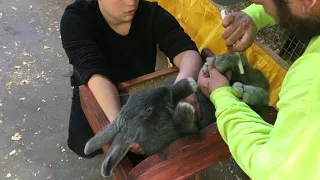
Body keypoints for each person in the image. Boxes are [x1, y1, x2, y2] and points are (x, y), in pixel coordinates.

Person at [59, 0, 203, 158]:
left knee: (145, 153)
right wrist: (122, 125)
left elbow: (188, 52)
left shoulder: (151, 13)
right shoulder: (76, 19)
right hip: (97, 89)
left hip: (137, 91)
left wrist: (183, 88)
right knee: (84, 143)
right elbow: (95, 74)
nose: (131, 3)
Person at [197, 1, 320, 180]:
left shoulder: (311, 83)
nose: (255, 3)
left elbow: (271, 170)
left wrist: (223, 96)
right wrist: (253, 17)